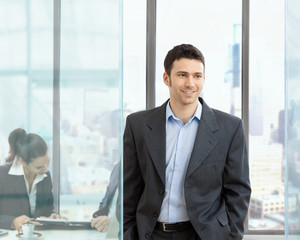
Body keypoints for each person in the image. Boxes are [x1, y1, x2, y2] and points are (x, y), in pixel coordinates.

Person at [123, 44, 251, 240]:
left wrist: (231, 236)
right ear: (167, 78)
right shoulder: (138, 125)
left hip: (204, 235)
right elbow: (129, 189)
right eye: (182, 75)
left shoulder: (230, 128)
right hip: (151, 234)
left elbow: (238, 191)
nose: (191, 83)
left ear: (203, 79)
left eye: (197, 76)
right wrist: (128, 234)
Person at [0, 128, 61, 230]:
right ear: (22, 161)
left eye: (48, 163)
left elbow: (48, 210)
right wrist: (12, 221)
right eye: (39, 167)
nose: (46, 169)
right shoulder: (2, 175)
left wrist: (51, 217)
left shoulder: (45, 176)